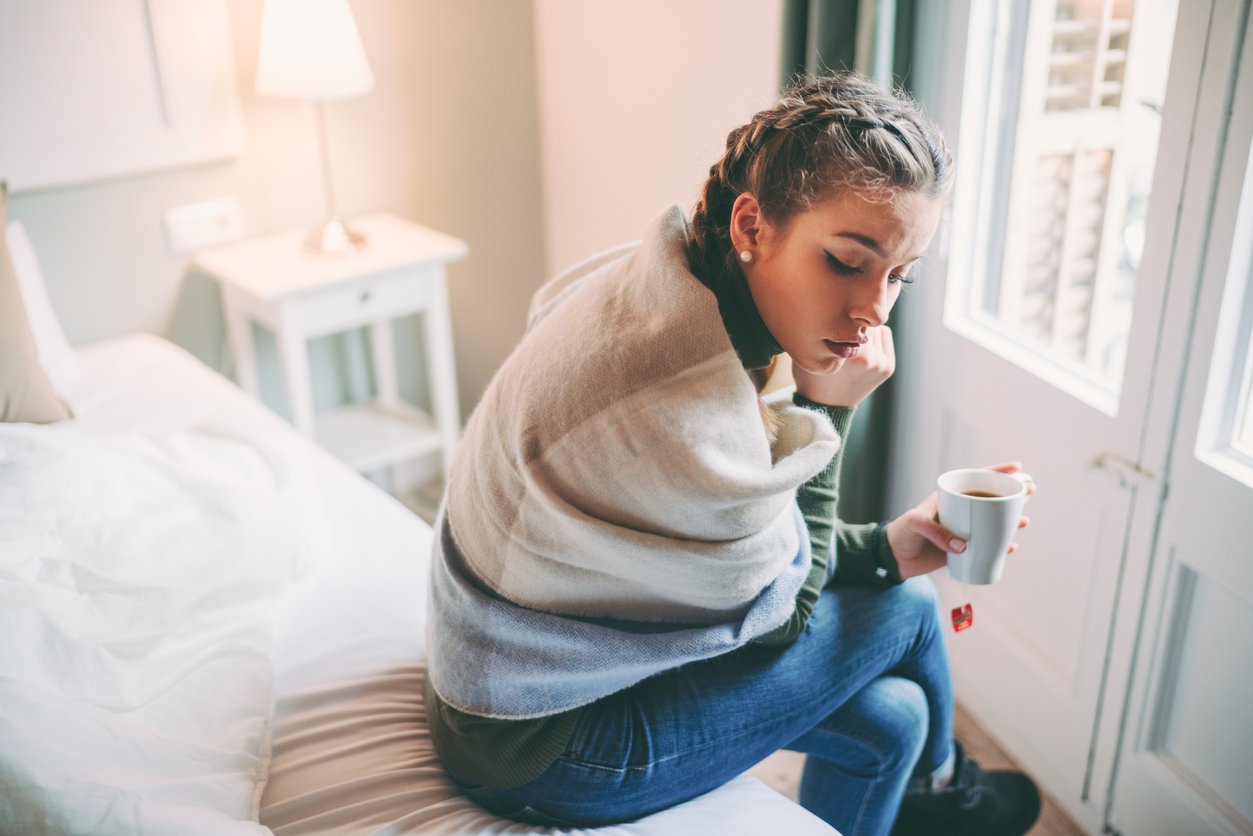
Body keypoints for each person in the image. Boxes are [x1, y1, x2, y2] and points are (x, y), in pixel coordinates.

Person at [422, 71, 1043, 836]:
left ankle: (931, 789)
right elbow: (780, 617)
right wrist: (827, 407)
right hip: (545, 746)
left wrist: (879, 548)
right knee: (910, 611)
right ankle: (946, 797)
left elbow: (701, 547)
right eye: (846, 261)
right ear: (751, 226)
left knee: (894, 721)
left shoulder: (660, 279)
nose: (873, 309)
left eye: (899, 276)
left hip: (515, 673)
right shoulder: (674, 406)